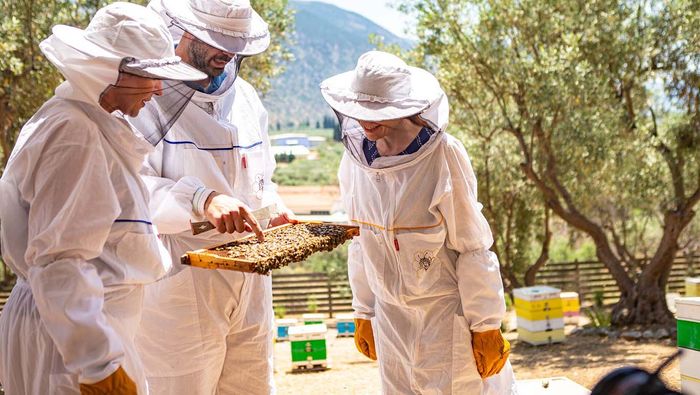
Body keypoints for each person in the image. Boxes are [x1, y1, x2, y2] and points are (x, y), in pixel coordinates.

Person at [0, 3, 206, 394]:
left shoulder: (80, 123)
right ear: (111, 69)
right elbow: (60, 258)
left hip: (75, 332)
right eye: (151, 76)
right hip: (71, 346)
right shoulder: (74, 132)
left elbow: (116, 214)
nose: (160, 89)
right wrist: (98, 364)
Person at [321, 50, 517, 394]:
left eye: (376, 111)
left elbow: (472, 245)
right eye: (359, 110)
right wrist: (364, 310)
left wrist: (486, 324)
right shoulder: (355, 161)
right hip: (390, 321)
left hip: (446, 322)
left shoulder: (443, 154)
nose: (365, 121)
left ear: (402, 107)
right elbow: (361, 239)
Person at [133, 1, 292, 393]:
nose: (229, 53)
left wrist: (274, 208)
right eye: (218, 41)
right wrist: (202, 200)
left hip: (252, 277)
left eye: (234, 43)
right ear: (183, 32)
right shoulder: (144, 99)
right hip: (183, 280)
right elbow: (130, 192)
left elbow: (261, 177)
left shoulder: (247, 98)